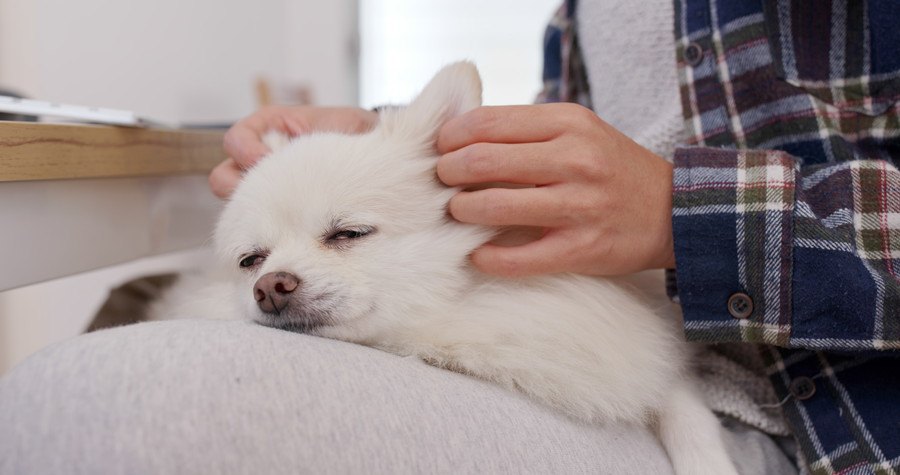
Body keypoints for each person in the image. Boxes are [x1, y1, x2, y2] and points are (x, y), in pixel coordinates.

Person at [1, 0, 897, 473]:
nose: (273, 278)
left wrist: (683, 212)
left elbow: (638, 190)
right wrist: (373, 152)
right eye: (257, 262)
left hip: (832, 424)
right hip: (665, 369)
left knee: (120, 406)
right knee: (121, 310)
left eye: (346, 233)